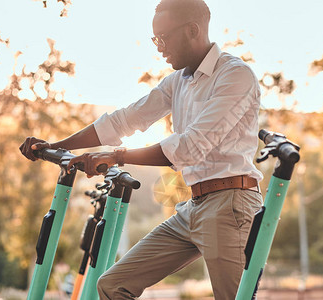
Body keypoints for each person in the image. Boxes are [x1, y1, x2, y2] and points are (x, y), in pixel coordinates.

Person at [20, 0, 263, 298]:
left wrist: (116, 156)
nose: (159, 47)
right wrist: (56, 145)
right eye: (154, 39)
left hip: (232, 206)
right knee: (111, 285)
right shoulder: (178, 82)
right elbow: (124, 120)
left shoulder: (235, 76)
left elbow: (189, 147)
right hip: (194, 206)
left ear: (192, 30)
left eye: (164, 38)